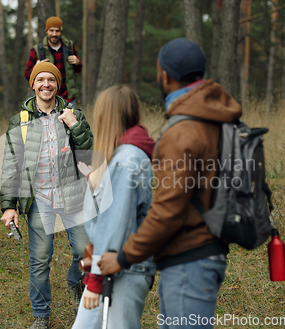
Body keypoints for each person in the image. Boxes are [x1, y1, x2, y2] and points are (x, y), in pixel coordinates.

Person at [98, 38, 243, 329]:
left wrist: (125, 257)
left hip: (189, 260)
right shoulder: (213, 118)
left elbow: (168, 210)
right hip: (208, 252)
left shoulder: (182, 132)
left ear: (165, 75)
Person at [0, 61, 92, 329]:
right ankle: (41, 314)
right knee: (40, 259)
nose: (46, 84)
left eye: (51, 79)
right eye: (40, 79)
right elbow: (11, 165)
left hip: (73, 195)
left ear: (58, 84)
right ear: (33, 85)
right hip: (39, 200)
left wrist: (74, 125)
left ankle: (76, 284)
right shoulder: (21, 121)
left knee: (84, 253)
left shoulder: (73, 113)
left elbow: (88, 152)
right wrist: (9, 206)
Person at [71, 85, 156, 329]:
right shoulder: (123, 156)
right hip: (114, 268)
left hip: (120, 271)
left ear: (105, 116)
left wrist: (95, 282)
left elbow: (114, 225)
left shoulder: (126, 160)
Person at [24, 16, 81, 106]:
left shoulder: (69, 46)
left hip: (68, 98)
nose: (54, 34)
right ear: (46, 31)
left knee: (70, 120)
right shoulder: (37, 50)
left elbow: (78, 70)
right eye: (51, 30)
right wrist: (35, 68)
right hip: (47, 99)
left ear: (61, 32)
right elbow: (27, 75)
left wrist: (77, 62)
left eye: (57, 31)